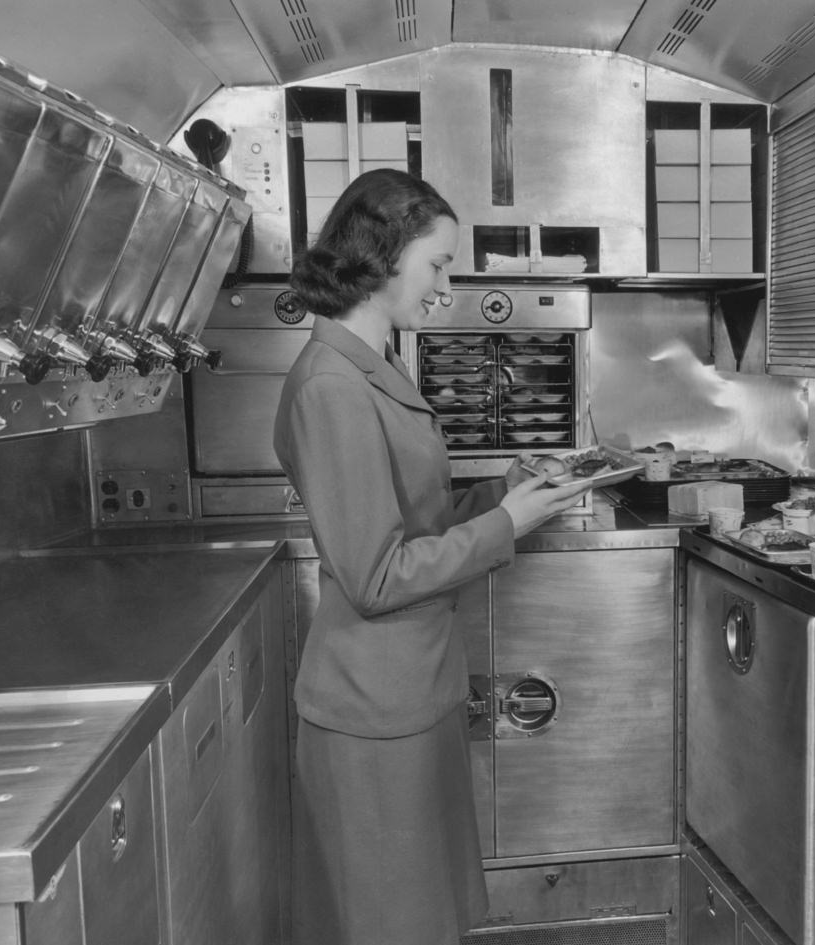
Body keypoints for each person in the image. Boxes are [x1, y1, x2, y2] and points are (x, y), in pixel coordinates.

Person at [273, 167, 590, 945]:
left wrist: (503, 496)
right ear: (380, 256)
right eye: (438, 263)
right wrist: (507, 524)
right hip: (373, 708)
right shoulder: (332, 387)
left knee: (420, 922)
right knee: (390, 927)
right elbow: (377, 574)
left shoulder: (368, 368)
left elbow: (410, 524)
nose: (445, 286)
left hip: (409, 694)